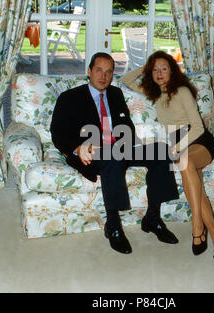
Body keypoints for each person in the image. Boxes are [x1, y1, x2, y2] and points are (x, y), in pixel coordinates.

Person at [50, 52, 180, 255]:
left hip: (120, 149)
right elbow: (57, 133)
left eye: (109, 72)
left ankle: (152, 218)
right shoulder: (70, 97)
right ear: (89, 71)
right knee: (110, 156)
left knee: (162, 150)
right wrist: (78, 147)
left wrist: (126, 144)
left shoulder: (115, 94)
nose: (103, 76)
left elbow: (126, 126)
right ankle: (113, 226)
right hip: (92, 153)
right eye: (99, 70)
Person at [121, 50, 214, 261]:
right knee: (196, 186)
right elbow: (126, 80)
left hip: (199, 141)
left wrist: (177, 147)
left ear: (173, 71)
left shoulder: (181, 91)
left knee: (185, 161)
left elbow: (198, 127)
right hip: (182, 146)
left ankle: (197, 226)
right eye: (155, 70)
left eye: (164, 68)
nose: (159, 73)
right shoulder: (153, 92)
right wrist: (145, 67)